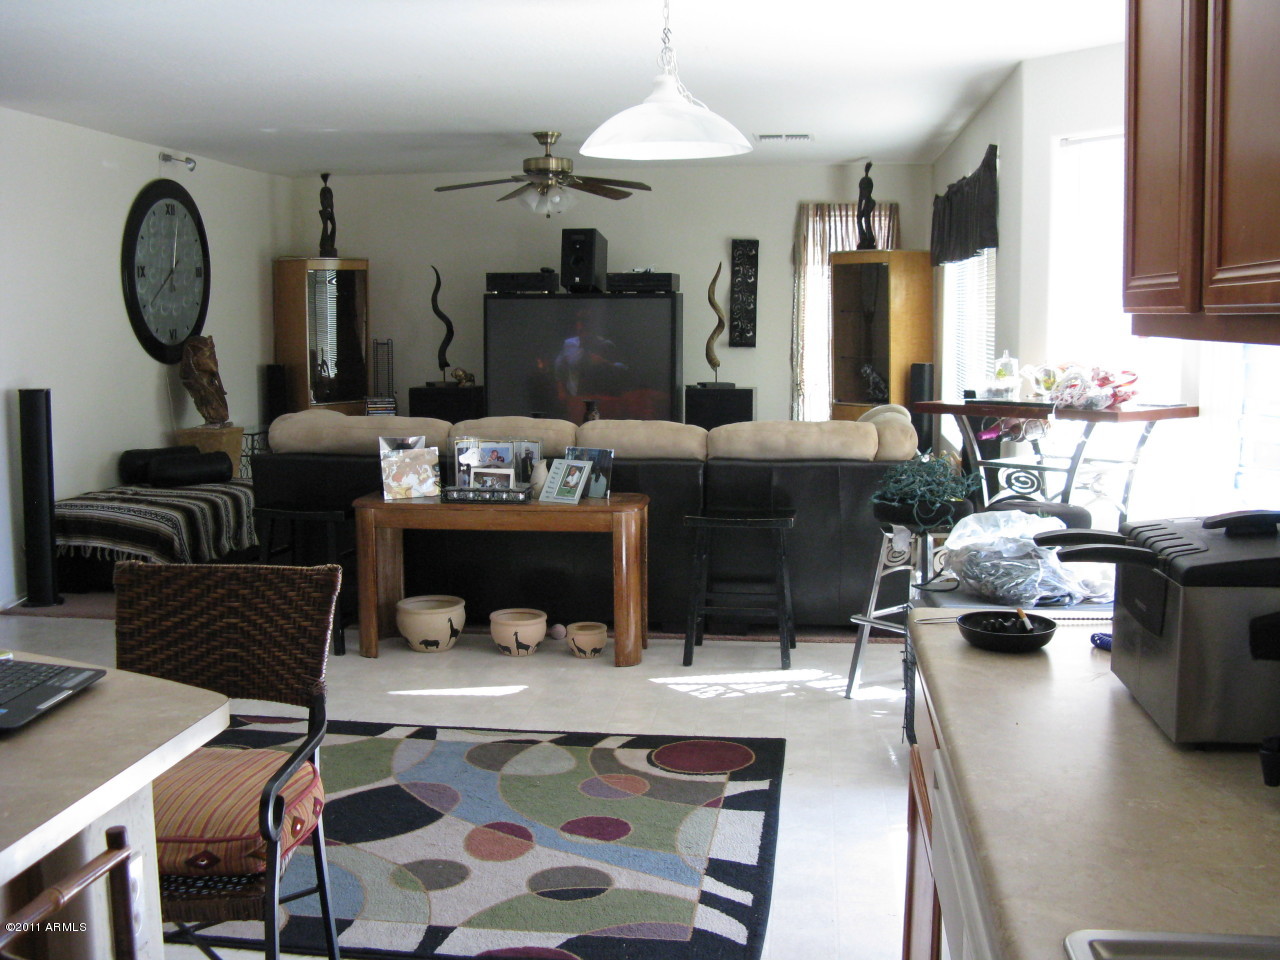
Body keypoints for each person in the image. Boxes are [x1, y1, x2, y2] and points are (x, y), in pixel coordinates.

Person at [856, 161, 876, 250]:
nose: (862, 191)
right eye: (862, 189)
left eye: (864, 189)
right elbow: (859, 218)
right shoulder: (863, 200)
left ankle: (867, 240)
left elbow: (866, 220)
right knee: (859, 219)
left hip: (869, 238)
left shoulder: (871, 202)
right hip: (866, 238)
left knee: (865, 221)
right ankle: (865, 240)